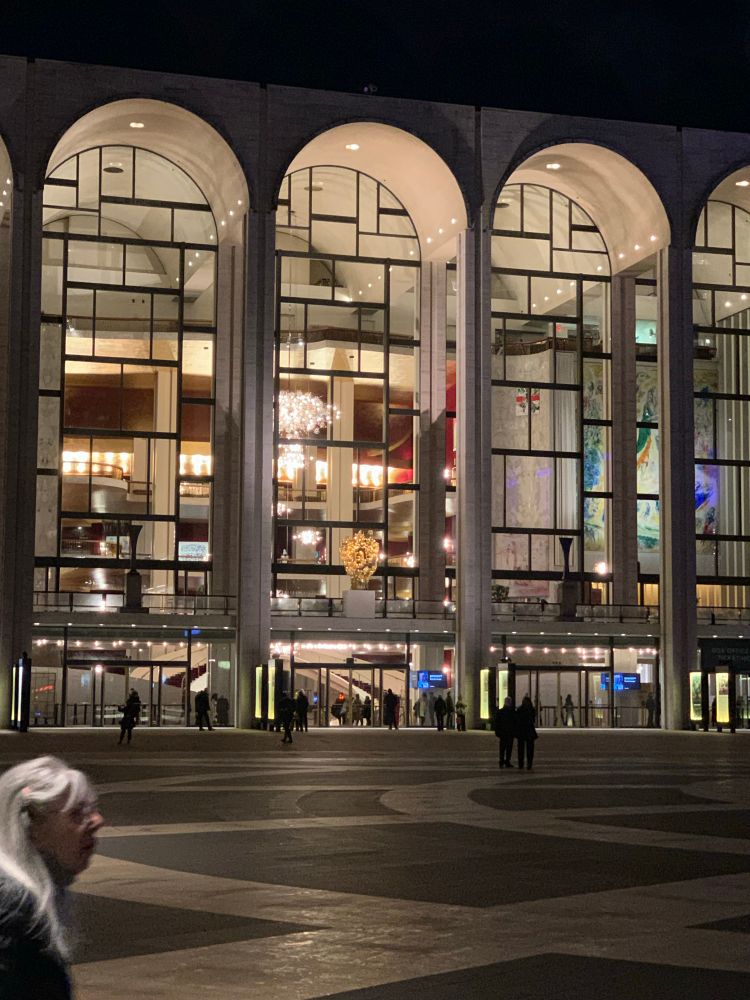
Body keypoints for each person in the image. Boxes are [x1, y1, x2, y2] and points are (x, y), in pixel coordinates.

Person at [0, 756, 104, 998]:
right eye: (77, 813)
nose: (97, 821)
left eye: (92, 809)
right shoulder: (14, 907)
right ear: (31, 829)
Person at [516, 695, 538, 770]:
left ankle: (520, 764)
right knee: (530, 749)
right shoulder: (532, 710)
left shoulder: (519, 709)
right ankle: (529, 764)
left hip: (521, 731)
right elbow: (533, 720)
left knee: (520, 749)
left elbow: (517, 720)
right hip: (529, 731)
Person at [494, 696, 516, 767]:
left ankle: (501, 761)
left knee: (502, 748)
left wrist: (497, 731)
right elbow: (515, 723)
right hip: (509, 733)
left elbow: (497, 722)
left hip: (502, 733)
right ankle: (507, 761)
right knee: (509, 748)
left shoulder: (500, 712)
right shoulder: (512, 712)